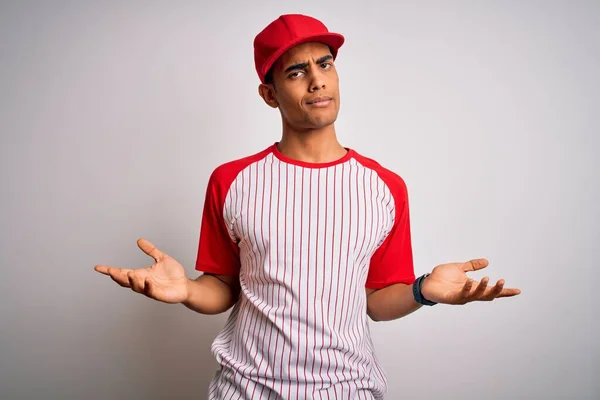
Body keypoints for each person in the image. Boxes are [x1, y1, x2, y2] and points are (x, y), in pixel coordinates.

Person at [94, 14, 521, 400]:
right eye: (296, 72)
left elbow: (375, 301)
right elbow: (222, 287)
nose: (317, 81)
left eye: (325, 64)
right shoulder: (231, 181)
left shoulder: (385, 187)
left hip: (348, 389)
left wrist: (422, 289)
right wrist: (187, 289)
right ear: (269, 93)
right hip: (246, 390)